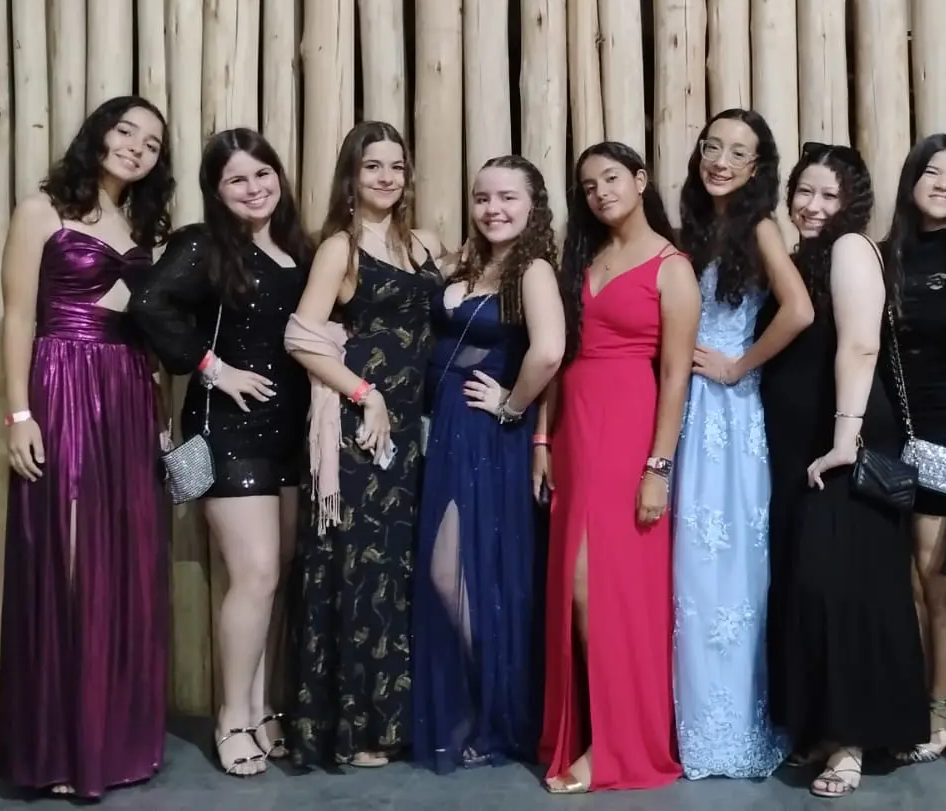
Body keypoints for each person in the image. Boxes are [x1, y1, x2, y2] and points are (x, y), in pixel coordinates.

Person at [0, 96, 174, 798]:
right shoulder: (40, 210)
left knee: (123, 559)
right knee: (66, 558)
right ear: (98, 133)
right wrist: (19, 413)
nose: (136, 147)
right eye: (126, 131)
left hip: (128, 392)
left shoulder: (140, 227)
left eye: (152, 144)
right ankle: (62, 747)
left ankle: (114, 740)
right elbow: (18, 315)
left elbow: (145, 321)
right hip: (63, 381)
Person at [129, 128, 313, 776]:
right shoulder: (202, 244)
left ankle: (262, 710)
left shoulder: (298, 248)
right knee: (255, 574)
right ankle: (231, 716)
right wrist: (213, 367)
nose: (254, 187)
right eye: (237, 179)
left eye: (262, 173)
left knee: (275, 577)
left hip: (291, 431)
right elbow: (147, 304)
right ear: (216, 189)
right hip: (230, 431)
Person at [761, 142, 929, 798]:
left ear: (852, 203)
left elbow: (860, 344)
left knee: (842, 585)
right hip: (803, 441)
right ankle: (822, 726)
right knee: (809, 585)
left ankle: (853, 737)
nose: (812, 205)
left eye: (829, 195)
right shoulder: (798, 254)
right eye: (804, 191)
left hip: (842, 438)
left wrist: (843, 440)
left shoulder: (851, 248)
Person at [536, 142, 700, 794]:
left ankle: (615, 743)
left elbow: (677, 376)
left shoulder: (671, 267)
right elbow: (557, 356)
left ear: (640, 179)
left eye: (611, 178)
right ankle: (588, 731)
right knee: (573, 586)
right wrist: (542, 438)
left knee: (605, 589)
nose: (600, 191)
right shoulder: (583, 257)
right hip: (575, 433)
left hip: (630, 429)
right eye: (588, 185)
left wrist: (657, 465)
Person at [286, 121, 447, 768]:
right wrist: (366, 394)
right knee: (361, 573)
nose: (386, 176)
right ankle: (355, 729)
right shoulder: (339, 248)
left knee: (403, 569)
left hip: (416, 430)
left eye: (396, 166)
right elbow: (300, 336)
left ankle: (399, 719)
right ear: (351, 177)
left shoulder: (425, 244)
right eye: (372, 165)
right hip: (364, 433)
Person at [410, 155, 564, 772]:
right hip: (446, 429)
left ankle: (499, 715)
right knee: (455, 571)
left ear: (533, 206)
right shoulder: (466, 263)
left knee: (468, 571)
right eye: (482, 198)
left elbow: (549, 351)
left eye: (507, 197)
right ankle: (479, 706)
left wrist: (511, 406)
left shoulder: (534, 271)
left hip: (486, 433)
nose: (492, 208)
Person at [671, 108, 811, 779]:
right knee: (684, 571)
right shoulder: (693, 231)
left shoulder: (759, 227)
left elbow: (799, 309)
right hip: (683, 410)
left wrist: (737, 365)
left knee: (726, 571)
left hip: (728, 418)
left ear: (757, 169)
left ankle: (736, 726)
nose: (720, 161)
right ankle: (686, 723)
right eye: (711, 147)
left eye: (736, 152)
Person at [883, 134, 946, 763]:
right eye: (932, 172)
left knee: (939, 575)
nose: (943, 184)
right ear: (912, 180)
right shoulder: (885, 253)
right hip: (891, 433)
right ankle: (917, 702)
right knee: (903, 579)